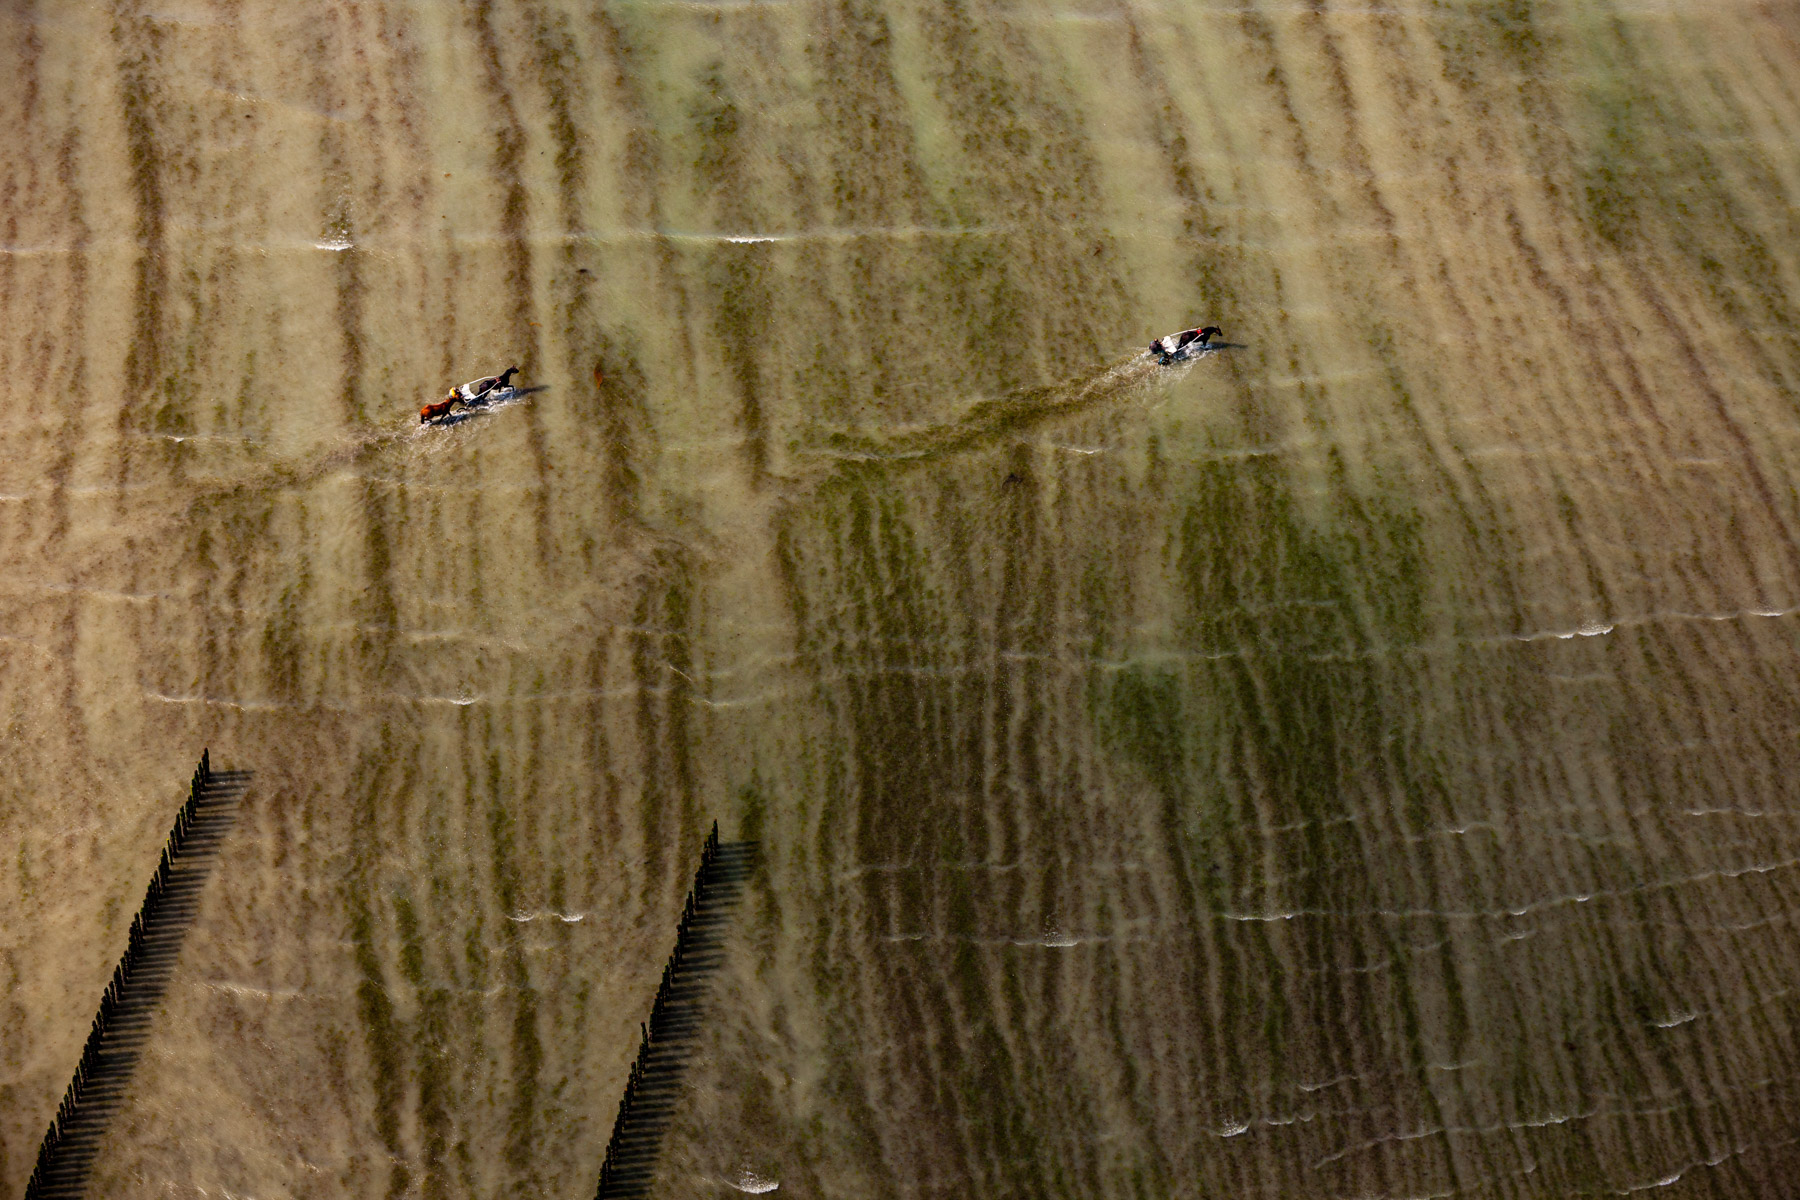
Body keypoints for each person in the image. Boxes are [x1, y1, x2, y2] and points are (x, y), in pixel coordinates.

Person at [1150, 325, 1221, 364]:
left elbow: (1157, 341)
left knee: (1180, 344)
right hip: (1160, 349)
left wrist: (1159, 342)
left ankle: (1178, 347)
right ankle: (1173, 354)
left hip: (1157, 347)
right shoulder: (1207, 335)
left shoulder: (1153, 343)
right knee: (1177, 348)